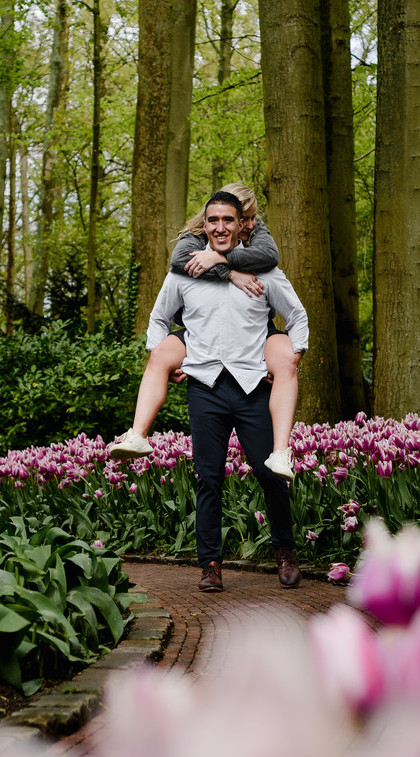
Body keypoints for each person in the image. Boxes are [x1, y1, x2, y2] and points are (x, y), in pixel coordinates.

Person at [145, 191, 309, 592]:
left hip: (253, 386)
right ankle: (210, 565)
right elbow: (158, 318)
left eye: (228, 221)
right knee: (208, 478)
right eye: (213, 220)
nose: (220, 227)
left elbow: (297, 314)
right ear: (205, 224)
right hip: (205, 388)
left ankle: (285, 553)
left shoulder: (265, 271)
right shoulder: (184, 271)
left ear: (241, 225)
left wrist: (293, 356)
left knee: (272, 475)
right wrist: (166, 357)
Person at [109, 184, 299, 483]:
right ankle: (137, 434)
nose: (247, 225)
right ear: (208, 221)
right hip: (201, 336)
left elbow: (272, 262)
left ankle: (281, 451)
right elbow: (175, 276)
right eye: (241, 218)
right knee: (160, 355)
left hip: (252, 341)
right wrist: (228, 270)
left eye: (247, 218)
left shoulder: (259, 241)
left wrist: (224, 260)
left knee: (285, 357)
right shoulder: (193, 241)